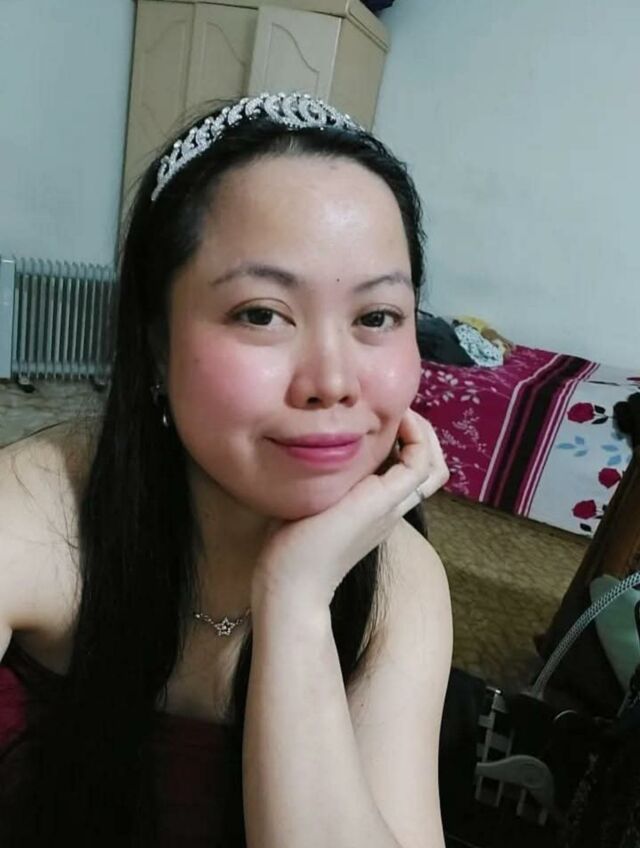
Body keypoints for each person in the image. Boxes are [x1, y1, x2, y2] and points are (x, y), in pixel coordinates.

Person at [0, 91, 452, 846]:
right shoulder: (35, 509)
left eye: (376, 317)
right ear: (156, 341)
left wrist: (296, 600)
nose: (332, 381)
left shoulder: (400, 583)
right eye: (262, 314)